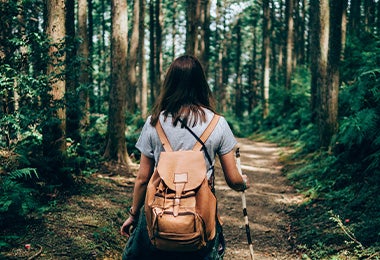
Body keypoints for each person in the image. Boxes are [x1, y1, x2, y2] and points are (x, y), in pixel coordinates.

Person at [120, 54, 249, 260]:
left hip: (157, 214)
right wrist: (243, 183)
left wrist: (133, 215)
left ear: (170, 83)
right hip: (200, 214)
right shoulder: (218, 124)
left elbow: (143, 178)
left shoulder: (154, 122)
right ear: (201, 84)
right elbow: (233, 180)